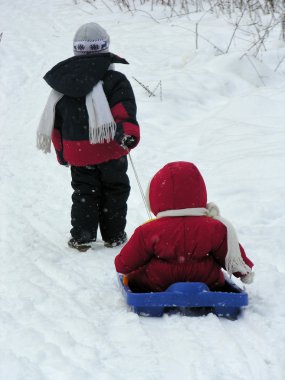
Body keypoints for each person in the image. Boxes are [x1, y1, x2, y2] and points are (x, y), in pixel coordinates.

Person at [37, 22, 140, 252]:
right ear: (104, 48)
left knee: (84, 192)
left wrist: (63, 153)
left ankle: (82, 237)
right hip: (110, 149)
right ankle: (113, 235)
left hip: (79, 153)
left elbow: (57, 124)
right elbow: (123, 110)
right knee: (115, 190)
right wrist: (128, 134)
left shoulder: (64, 83)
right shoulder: (114, 80)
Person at [115, 161, 254, 292]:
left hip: (158, 283)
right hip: (207, 281)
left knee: (138, 275)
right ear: (199, 191)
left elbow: (124, 264)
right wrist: (243, 271)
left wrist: (125, 267)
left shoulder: (148, 230)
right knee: (215, 276)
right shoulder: (215, 227)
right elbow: (230, 253)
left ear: (156, 195)